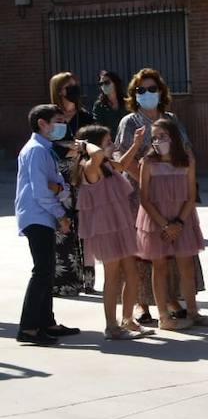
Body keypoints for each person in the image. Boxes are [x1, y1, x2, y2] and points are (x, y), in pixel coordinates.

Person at [115, 68, 199, 323]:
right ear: (134, 94)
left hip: (175, 193)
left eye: (152, 89)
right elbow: (120, 156)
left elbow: (185, 150)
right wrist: (145, 178)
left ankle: (172, 299)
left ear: (161, 91)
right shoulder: (130, 122)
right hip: (140, 194)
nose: (147, 94)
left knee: (178, 250)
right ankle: (142, 304)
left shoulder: (171, 118)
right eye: (141, 90)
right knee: (145, 253)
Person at [73, 124, 152, 340]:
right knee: (113, 277)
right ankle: (111, 326)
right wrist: (85, 144)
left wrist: (136, 144)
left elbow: (124, 165)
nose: (112, 145)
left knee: (132, 273)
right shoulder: (89, 165)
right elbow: (97, 155)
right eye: (108, 142)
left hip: (121, 224)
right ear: (95, 145)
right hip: (105, 229)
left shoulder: (106, 164)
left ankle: (128, 319)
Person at [136, 119, 208, 331]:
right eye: (154, 137)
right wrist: (165, 225)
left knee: (186, 266)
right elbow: (144, 198)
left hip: (183, 218)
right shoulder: (148, 163)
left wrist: (178, 222)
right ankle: (163, 317)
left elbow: (190, 195)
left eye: (162, 136)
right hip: (155, 221)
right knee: (159, 267)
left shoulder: (187, 160)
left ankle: (193, 312)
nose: (158, 141)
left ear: (174, 137)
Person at [15, 105, 81, 345]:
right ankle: (29, 328)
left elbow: (57, 185)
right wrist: (60, 214)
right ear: (42, 123)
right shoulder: (36, 151)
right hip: (37, 215)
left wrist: (59, 190)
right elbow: (42, 190)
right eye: (58, 120)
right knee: (42, 270)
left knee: (47, 270)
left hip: (42, 215)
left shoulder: (45, 149)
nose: (62, 125)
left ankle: (46, 322)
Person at [49, 72, 96, 296]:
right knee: (63, 227)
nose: (74, 89)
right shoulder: (50, 116)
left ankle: (88, 280)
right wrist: (73, 148)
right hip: (58, 179)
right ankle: (65, 281)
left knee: (86, 228)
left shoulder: (86, 116)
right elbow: (48, 146)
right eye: (69, 86)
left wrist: (74, 148)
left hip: (83, 177)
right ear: (59, 90)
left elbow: (93, 143)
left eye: (75, 85)